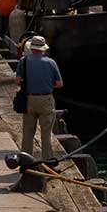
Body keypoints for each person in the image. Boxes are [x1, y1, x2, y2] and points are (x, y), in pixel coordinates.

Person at [18, 35, 64, 163]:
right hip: (46, 100)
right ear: (43, 49)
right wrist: (48, 84)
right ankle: (48, 161)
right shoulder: (51, 62)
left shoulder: (24, 61)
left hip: (29, 100)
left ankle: (25, 159)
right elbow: (59, 84)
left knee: (27, 133)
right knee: (46, 134)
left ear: (31, 48)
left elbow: (17, 81)